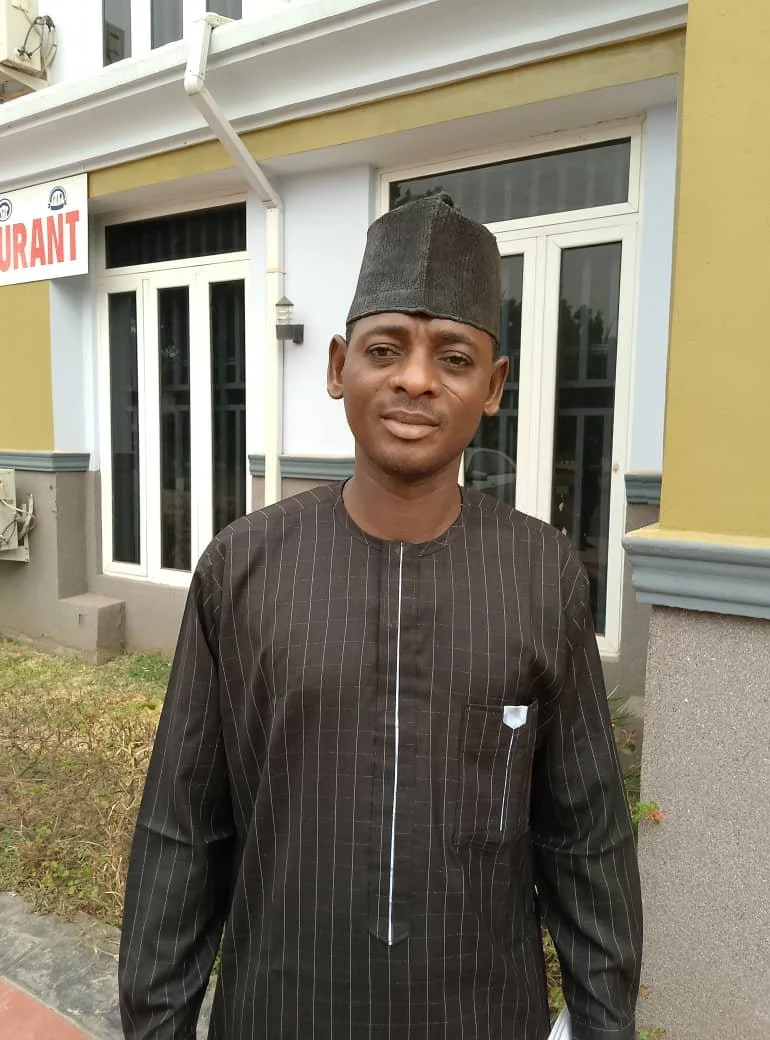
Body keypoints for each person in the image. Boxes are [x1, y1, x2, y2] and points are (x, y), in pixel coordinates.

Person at [118, 193, 642, 1039]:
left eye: (454, 357)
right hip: (281, 1011)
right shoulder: (241, 569)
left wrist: (603, 1021)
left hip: (479, 1015)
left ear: (494, 387)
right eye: (386, 348)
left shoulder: (542, 575)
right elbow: (182, 833)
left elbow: (585, 834)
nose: (416, 379)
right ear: (338, 367)